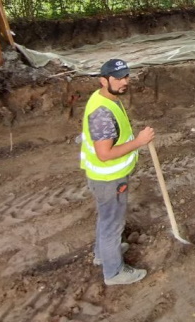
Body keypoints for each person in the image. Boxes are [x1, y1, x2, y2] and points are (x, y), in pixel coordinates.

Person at [80, 58, 155, 286]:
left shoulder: (106, 98)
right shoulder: (102, 113)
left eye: (126, 77)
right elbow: (105, 153)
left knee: (107, 218)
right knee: (113, 224)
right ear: (104, 80)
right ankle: (113, 273)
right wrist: (140, 141)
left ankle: (103, 254)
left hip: (104, 177)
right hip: (109, 178)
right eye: (118, 78)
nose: (124, 82)